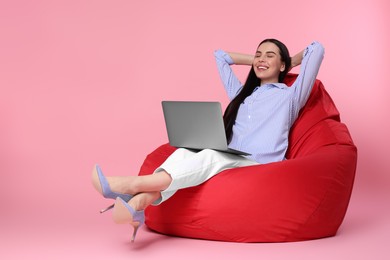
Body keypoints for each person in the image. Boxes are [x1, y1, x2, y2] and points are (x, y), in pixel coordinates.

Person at [92, 39, 325, 242]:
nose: (261, 59)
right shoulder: (242, 94)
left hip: (260, 163)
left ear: (282, 64)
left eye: (269, 56)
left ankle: (132, 185)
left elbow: (317, 49)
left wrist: (291, 61)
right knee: (187, 150)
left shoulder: (290, 96)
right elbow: (221, 57)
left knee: (210, 155)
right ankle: (139, 203)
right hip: (232, 157)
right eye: (258, 54)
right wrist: (257, 61)